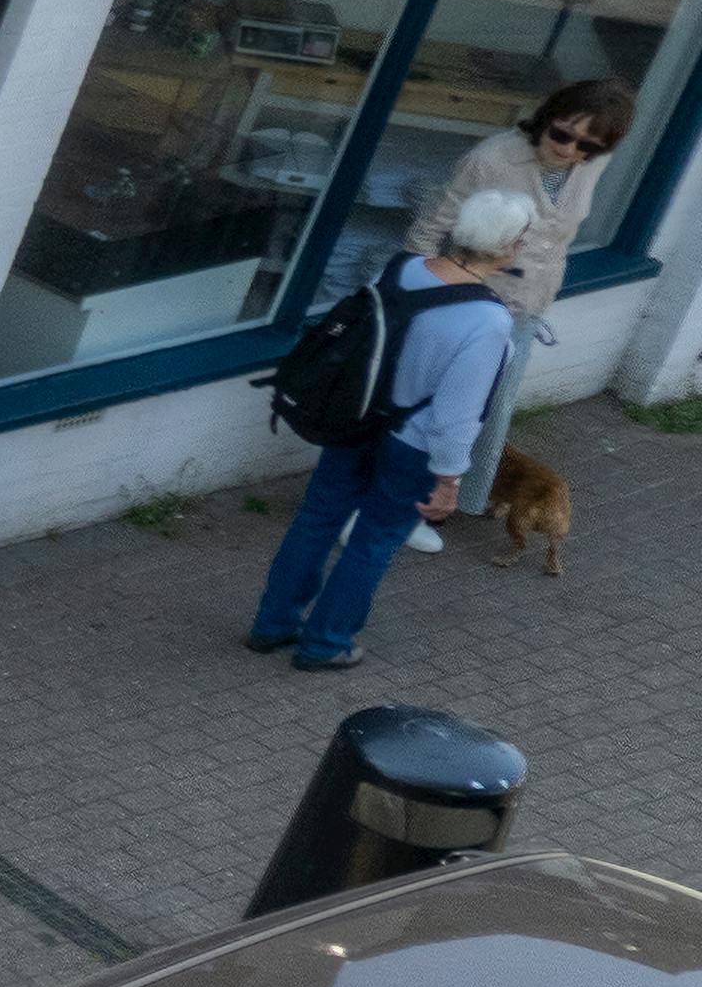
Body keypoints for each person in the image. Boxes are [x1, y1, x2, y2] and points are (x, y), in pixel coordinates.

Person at [392, 78, 629, 550]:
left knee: (488, 410)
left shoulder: (591, 164)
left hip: (526, 306)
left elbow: (556, 235)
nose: (571, 150)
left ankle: (441, 499)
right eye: (563, 134)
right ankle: (398, 504)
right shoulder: (493, 159)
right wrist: (417, 295)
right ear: (548, 117)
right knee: (439, 407)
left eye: (587, 145)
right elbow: (430, 229)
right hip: (468, 302)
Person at [251, 259, 519, 670]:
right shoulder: (489, 320)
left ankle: (272, 625)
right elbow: (457, 416)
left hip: (354, 419)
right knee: (373, 541)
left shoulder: (401, 267)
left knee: (316, 518)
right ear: (507, 246)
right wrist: (449, 480)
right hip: (411, 444)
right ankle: (325, 644)